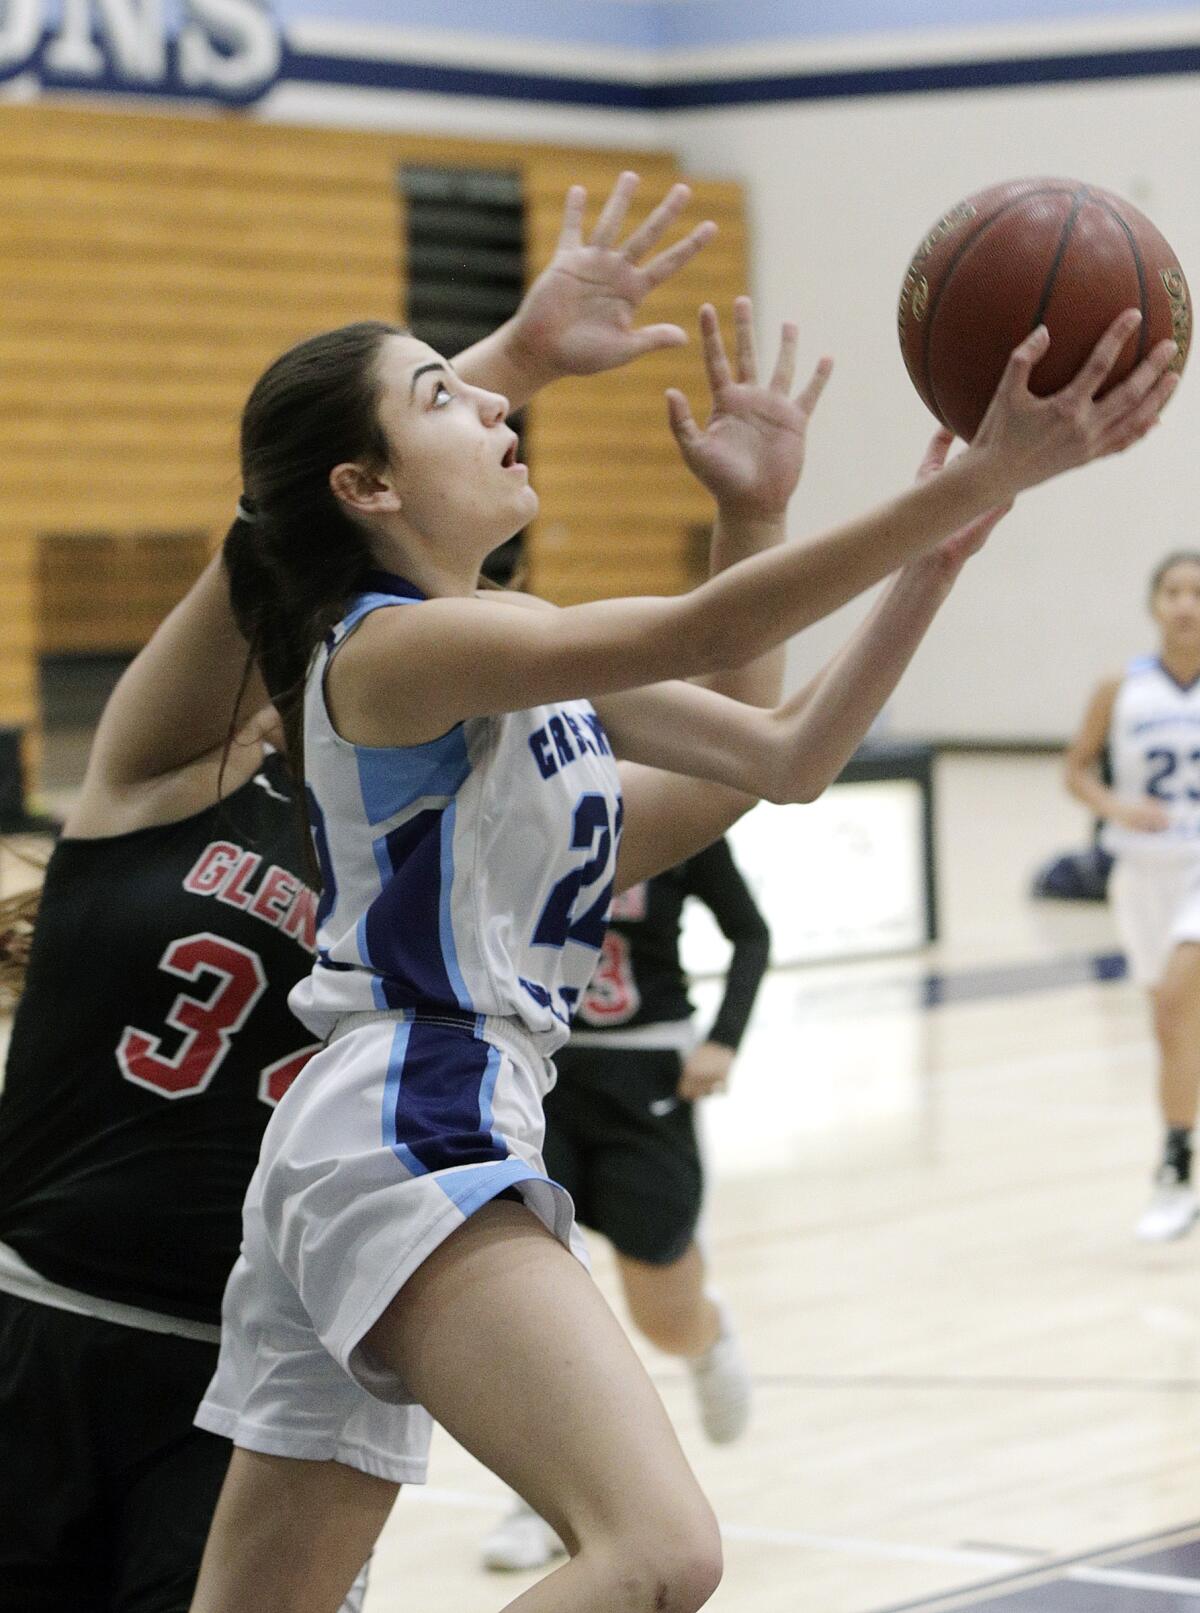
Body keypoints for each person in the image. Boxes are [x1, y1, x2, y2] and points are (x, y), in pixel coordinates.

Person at [187, 224, 1176, 1611]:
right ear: (363, 488)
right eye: (439, 396)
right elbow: (702, 640)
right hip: (413, 1115)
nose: (490, 402)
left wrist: (898, 548)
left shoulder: (514, 670)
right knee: (659, 1551)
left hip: (368, 1130)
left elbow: (778, 757)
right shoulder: (395, 644)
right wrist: (987, 471)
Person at [0, 171, 735, 1613]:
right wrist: (507, 359)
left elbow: (746, 768)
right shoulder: (163, 777)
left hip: (241, 1378)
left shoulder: (469, 850)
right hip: (31, 1325)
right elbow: (277, 540)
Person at [482, 834, 769, 1574]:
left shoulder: (676, 806)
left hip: (650, 1076)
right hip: (539, 1068)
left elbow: (750, 931)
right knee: (537, 1308)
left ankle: (705, 1336)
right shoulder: (516, 797)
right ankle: (540, 1498)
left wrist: (726, 1040)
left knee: (661, 1317)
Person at [1065, 551, 1200, 1242]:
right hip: (1140, 871)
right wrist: (1115, 805)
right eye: (1173, 590)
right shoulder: (1120, 686)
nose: (1185, 603)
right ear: (1154, 604)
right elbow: (1076, 769)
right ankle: (1182, 1149)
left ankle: (1174, 1168)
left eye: (1197, 592)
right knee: (1172, 1024)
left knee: (1180, 999)